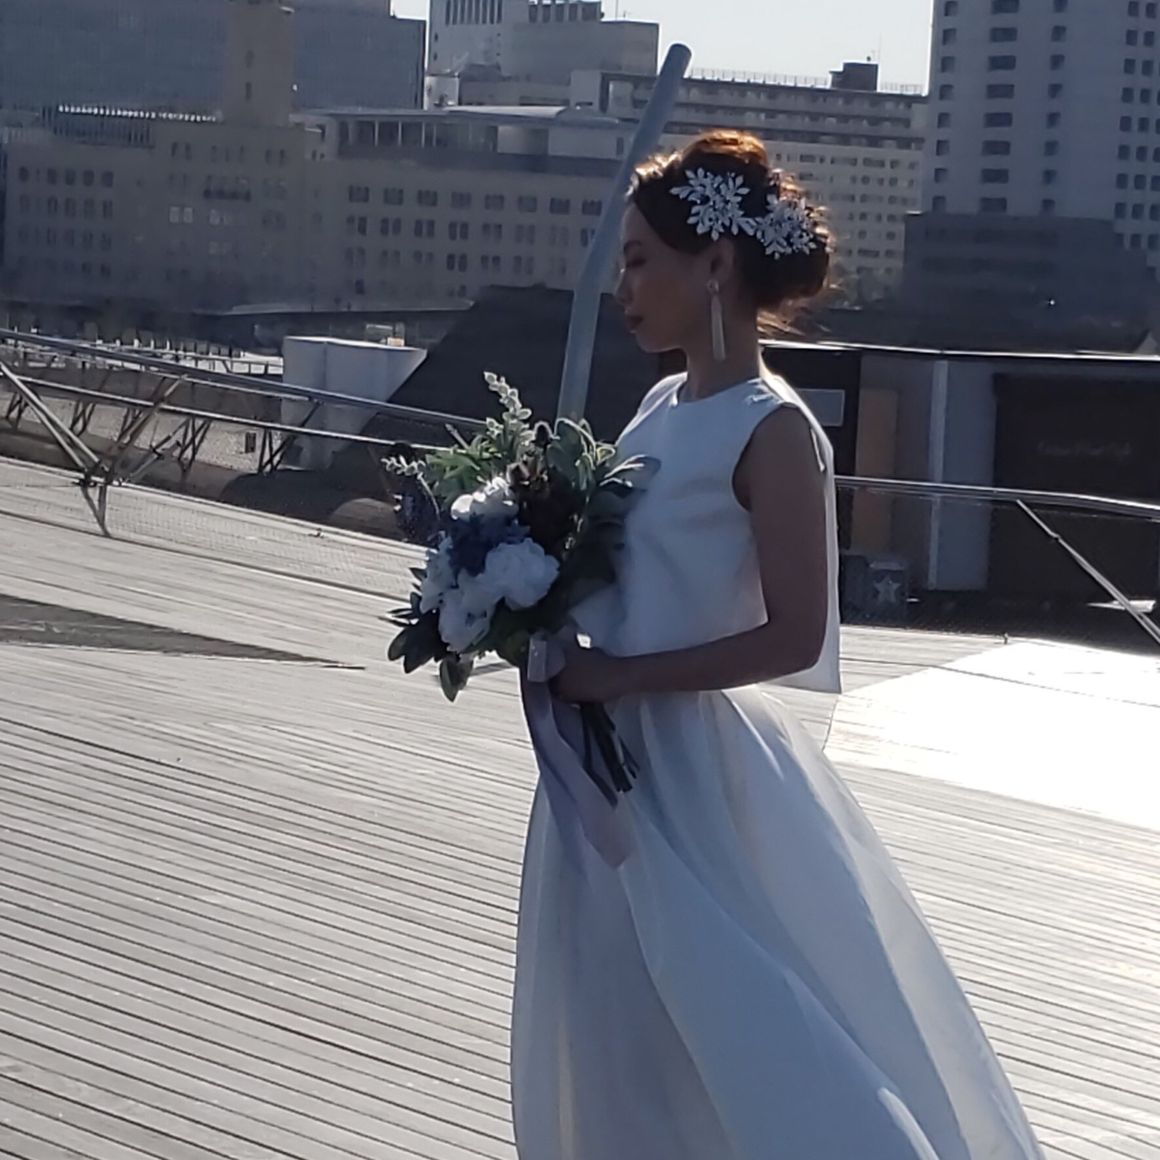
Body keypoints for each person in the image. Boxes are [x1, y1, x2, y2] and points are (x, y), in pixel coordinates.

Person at [510, 130, 1045, 1160]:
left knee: (736, 1021)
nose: (623, 288)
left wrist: (621, 674)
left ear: (714, 265)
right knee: (616, 1029)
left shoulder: (772, 428)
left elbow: (794, 634)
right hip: (599, 763)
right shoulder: (660, 405)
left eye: (640, 261)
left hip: (694, 772)